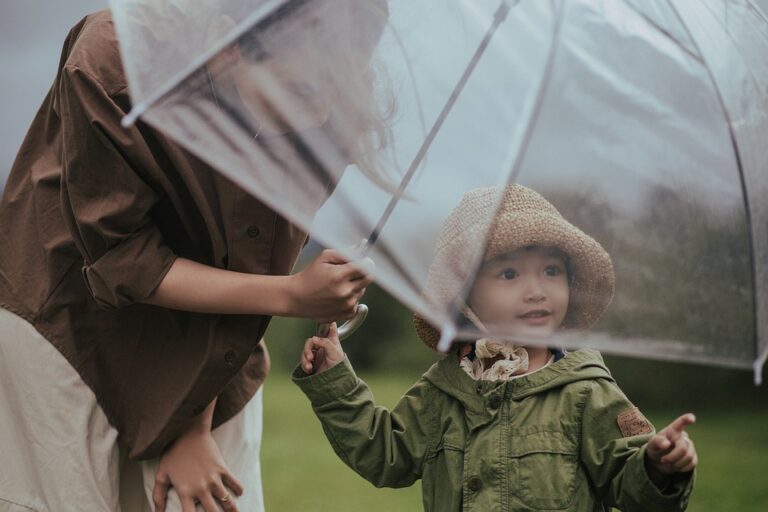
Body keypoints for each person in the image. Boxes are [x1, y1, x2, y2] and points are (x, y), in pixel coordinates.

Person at [0, 1, 388, 511]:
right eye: (298, 92)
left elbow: (252, 263)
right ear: (226, 48)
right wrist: (295, 295)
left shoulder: (332, 107)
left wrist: (194, 421)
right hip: (69, 315)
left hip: (218, 328)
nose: (315, 116)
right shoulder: (113, 59)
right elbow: (121, 257)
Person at [293, 184, 697, 512]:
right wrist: (335, 382)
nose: (537, 290)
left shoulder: (586, 391)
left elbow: (628, 485)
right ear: (465, 297)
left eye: (552, 271)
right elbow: (385, 453)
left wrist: (658, 467)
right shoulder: (445, 389)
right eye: (509, 273)